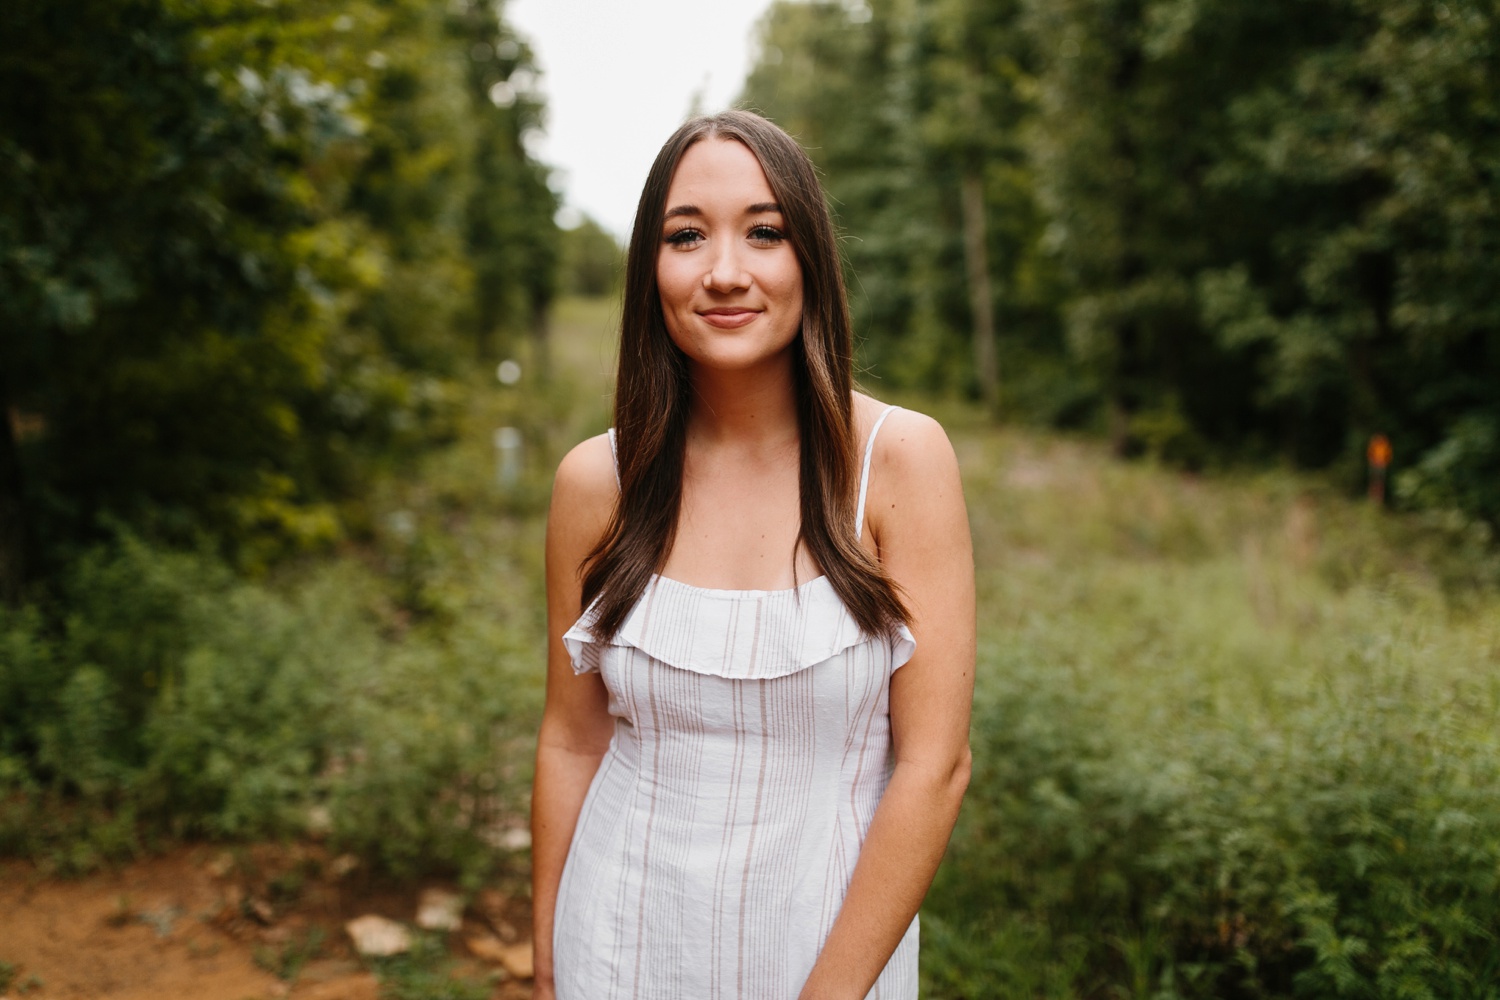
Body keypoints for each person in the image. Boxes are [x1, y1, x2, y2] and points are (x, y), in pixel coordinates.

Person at [531, 109, 975, 1000]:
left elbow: (935, 767)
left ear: (809, 257)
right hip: (617, 945)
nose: (725, 271)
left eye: (764, 232)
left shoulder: (897, 462)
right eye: (686, 236)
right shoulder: (597, 481)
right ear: (649, 269)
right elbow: (572, 741)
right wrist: (547, 968)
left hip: (828, 956)